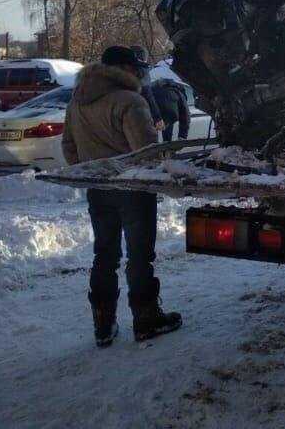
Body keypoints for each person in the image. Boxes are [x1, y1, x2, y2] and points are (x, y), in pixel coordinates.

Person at [62, 46, 182, 347]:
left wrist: (91, 171)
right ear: (125, 69)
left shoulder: (78, 100)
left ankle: (103, 325)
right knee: (139, 255)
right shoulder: (131, 100)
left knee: (105, 254)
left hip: (98, 188)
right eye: (135, 67)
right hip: (132, 189)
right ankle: (146, 319)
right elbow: (146, 153)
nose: (139, 72)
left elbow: (69, 147)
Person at [130, 45, 165, 136]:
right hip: (140, 116)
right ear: (142, 57)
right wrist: (157, 117)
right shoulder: (141, 71)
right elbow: (147, 94)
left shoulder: (120, 70)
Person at [151, 78, 191, 142]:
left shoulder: (153, 89)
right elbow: (186, 116)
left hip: (151, 107)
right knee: (168, 125)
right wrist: (182, 137)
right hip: (168, 111)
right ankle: (167, 149)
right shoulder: (179, 93)